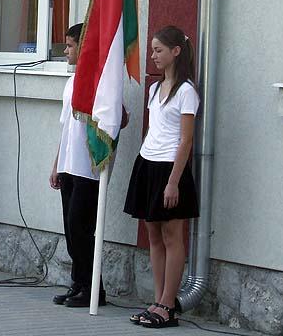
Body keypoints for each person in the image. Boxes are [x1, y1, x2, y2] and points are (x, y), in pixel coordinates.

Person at [124, 25, 200, 328]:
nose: (153, 56)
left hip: (171, 169)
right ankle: (157, 301)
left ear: (175, 52)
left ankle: (168, 305)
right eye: (153, 50)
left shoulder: (187, 91)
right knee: (153, 236)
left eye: (159, 50)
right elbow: (152, 129)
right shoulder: (154, 88)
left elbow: (186, 140)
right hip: (148, 164)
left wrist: (172, 182)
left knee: (172, 236)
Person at [49, 23, 129, 308]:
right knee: (70, 229)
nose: (65, 51)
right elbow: (65, 127)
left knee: (80, 226)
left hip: (90, 166)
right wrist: (56, 164)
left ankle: (93, 288)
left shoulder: (101, 81)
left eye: (70, 45)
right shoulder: (72, 81)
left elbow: (118, 118)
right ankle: (79, 282)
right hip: (69, 163)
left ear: (84, 46)